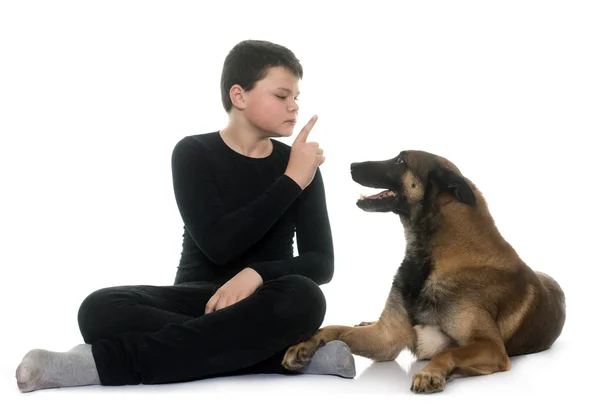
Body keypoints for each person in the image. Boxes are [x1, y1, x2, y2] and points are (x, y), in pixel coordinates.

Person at [15, 39, 356, 393]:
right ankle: (277, 356)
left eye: (297, 97)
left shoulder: (301, 165)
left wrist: (257, 274)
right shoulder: (194, 152)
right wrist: (290, 181)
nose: (294, 106)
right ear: (238, 96)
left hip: (265, 301)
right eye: (282, 96)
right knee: (98, 308)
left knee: (307, 297)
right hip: (197, 301)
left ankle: (101, 364)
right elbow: (219, 245)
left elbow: (321, 264)